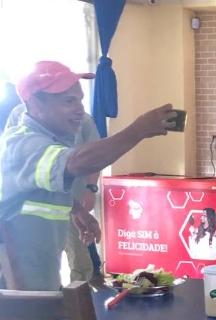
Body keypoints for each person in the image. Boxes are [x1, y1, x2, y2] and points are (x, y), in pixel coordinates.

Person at [0, 60, 177, 291]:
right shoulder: (24, 143)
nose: (79, 110)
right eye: (69, 101)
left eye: (80, 100)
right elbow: (77, 162)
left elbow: (36, 188)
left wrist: (77, 209)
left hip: (38, 269)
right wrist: (139, 129)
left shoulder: (51, 138)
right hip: (14, 278)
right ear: (34, 104)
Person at [5, 103, 101, 282]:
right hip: (29, 215)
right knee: (30, 271)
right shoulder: (18, 119)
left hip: (71, 200)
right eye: (69, 98)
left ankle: (81, 293)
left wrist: (89, 191)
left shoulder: (84, 120)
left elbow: (96, 158)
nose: (77, 104)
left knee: (78, 255)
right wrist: (138, 131)